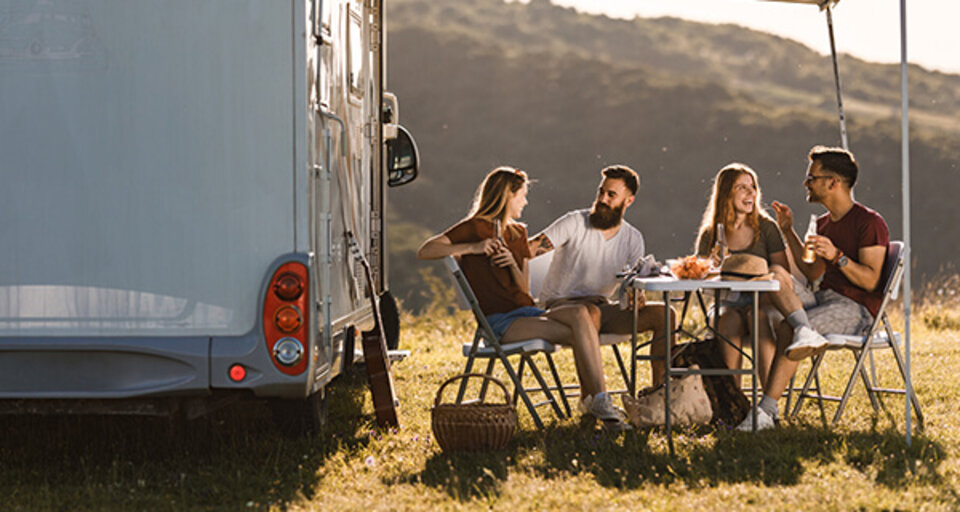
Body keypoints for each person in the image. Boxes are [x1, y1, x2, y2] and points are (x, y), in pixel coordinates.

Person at [417, 166, 631, 431]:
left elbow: (523, 289)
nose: (525, 201)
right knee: (584, 328)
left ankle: (596, 401)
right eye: (522, 195)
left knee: (580, 315)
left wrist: (512, 263)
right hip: (501, 322)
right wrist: (474, 247)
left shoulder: (518, 233)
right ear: (508, 196)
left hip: (529, 313)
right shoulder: (474, 228)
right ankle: (599, 404)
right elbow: (426, 250)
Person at [744, 145, 890, 431]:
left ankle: (766, 411)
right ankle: (803, 332)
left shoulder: (870, 223)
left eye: (811, 177)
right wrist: (788, 231)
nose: (806, 183)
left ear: (832, 183)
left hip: (856, 309)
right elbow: (811, 272)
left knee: (789, 326)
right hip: (823, 297)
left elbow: (872, 281)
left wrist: (838, 256)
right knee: (775, 276)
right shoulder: (823, 224)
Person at [528, 165, 674, 388]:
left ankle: (661, 392)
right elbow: (531, 248)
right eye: (601, 192)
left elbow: (631, 285)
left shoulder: (633, 239)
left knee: (665, 314)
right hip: (559, 308)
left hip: (600, 308)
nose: (603, 199)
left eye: (611, 195)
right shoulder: (575, 222)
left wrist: (636, 295)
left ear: (629, 201)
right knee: (591, 313)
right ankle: (593, 400)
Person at [694, 163, 827, 396]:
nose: (751, 193)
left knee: (758, 317)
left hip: (763, 302)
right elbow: (700, 277)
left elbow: (780, 274)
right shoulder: (712, 233)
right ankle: (734, 402)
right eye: (742, 188)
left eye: (752, 187)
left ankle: (768, 403)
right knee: (727, 320)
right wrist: (711, 267)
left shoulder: (766, 228)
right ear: (726, 193)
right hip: (727, 302)